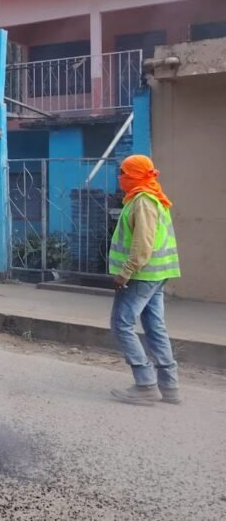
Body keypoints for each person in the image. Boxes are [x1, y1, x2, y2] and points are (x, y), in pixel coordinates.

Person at [108, 155, 181, 405]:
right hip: (156, 275)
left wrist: (124, 272)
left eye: (124, 173)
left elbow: (143, 244)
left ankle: (146, 384)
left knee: (121, 324)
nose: (121, 178)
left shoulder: (143, 201)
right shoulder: (152, 196)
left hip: (141, 275)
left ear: (135, 175)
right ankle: (169, 387)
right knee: (155, 327)